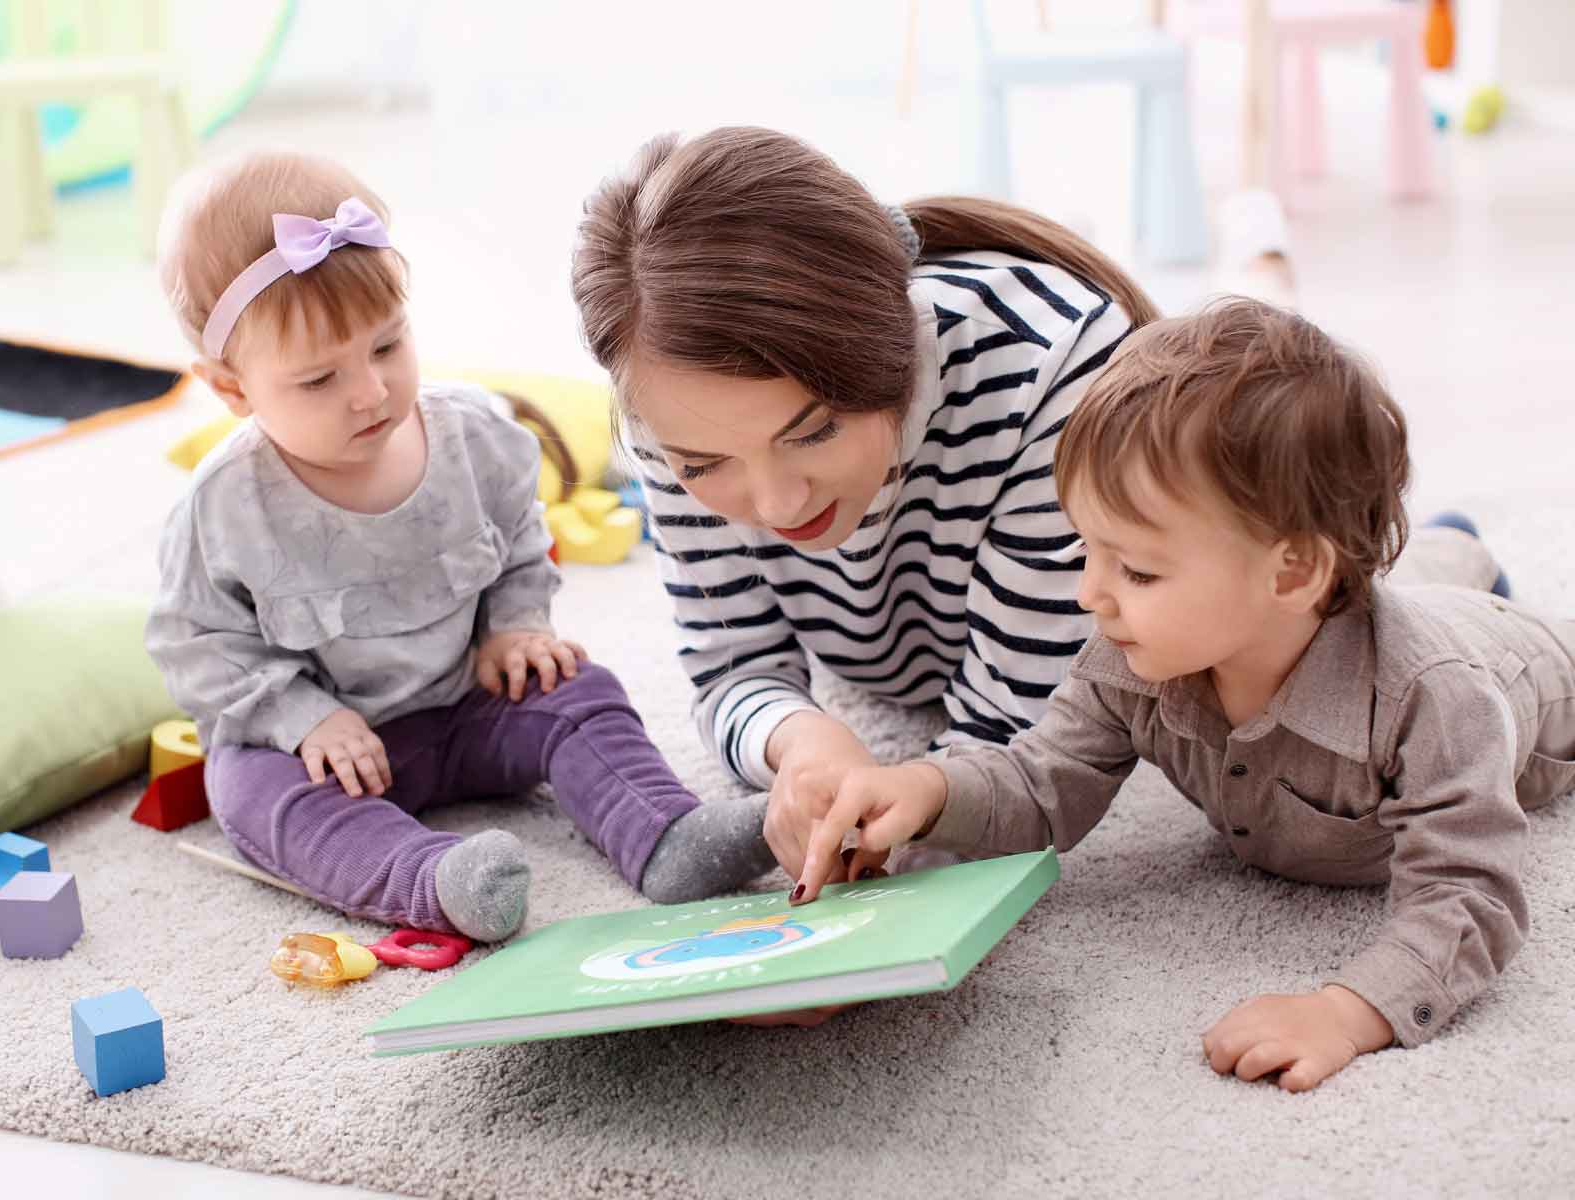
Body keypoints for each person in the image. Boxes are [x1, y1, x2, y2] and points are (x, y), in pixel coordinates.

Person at [788, 298, 1572, 1090]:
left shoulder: (1435, 701)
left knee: (1444, 611)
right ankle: (1452, 543)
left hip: (1526, 668)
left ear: (1293, 571)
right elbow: (1041, 780)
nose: (1091, 593)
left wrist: (1347, 1010)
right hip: (1366, 606)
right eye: (1086, 549)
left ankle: (1457, 552)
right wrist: (924, 788)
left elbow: (1470, 892)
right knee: (1423, 579)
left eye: (1137, 570)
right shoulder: (1132, 659)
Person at [146, 151, 771, 942]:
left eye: (385, 346)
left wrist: (515, 627)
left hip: (472, 700)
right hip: (327, 749)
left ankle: (666, 835)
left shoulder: (475, 436)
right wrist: (303, 718)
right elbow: (195, 644)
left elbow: (517, 539)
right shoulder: (223, 506)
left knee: (580, 688)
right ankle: (439, 882)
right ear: (232, 388)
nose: (370, 392)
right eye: (318, 380)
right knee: (247, 791)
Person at [570, 126, 1158, 886]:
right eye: (706, 465)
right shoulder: (666, 403)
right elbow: (730, 665)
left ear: (895, 349)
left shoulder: (1053, 371)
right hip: (900, 660)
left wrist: (869, 889)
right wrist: (800, 740)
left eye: (813, 431)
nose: (777, 505)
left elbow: (1021, 747)